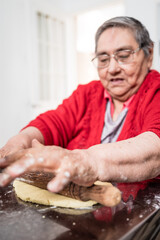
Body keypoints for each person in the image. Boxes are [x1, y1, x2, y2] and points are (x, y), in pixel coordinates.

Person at [0, 16, 160, 198]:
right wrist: (22, 140)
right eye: (103, 59)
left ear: (149, 54)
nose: (112, 68)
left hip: (131, 213)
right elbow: (54, 122)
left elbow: (155, 149)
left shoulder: (157, 91)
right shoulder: (87, 94)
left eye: (123, 56)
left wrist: (90, 162)